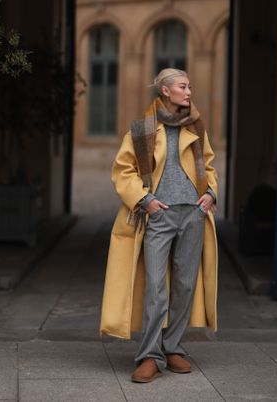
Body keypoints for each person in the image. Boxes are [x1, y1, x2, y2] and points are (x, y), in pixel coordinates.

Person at [100, 68, 218, 383]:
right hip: (159, 216)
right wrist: (145, 200)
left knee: (185, 285)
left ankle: (172, 347)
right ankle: (149, 356)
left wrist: (210, 193)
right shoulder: (142, 129)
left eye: (190, 86)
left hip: (193, 214)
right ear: (166, 91)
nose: (189, 91)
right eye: (183, 86)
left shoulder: (196, 127)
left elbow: (208, 165)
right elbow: (122, 170)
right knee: (155, 287)